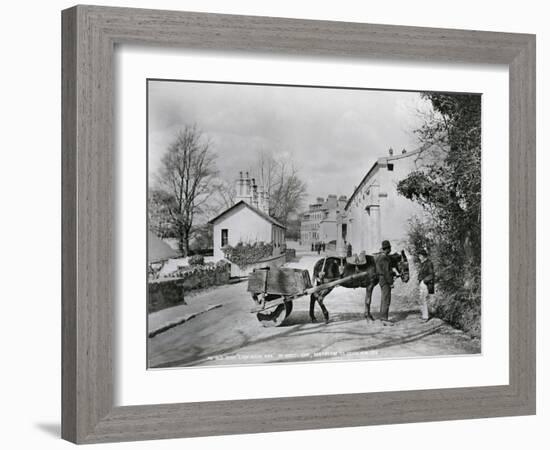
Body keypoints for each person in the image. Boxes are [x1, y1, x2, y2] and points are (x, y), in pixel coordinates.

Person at [376, 240, 394, 325]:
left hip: (381, 279)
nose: (390, 250)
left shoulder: (379, 257)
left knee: (384, 298)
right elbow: (386, 271)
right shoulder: (385, 258)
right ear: (387, 249)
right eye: (389, 248)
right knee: (386, 299)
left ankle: (382, 317)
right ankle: (384, 319)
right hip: (385, 280)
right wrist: (390, 282)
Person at [417, 249, 435, 321]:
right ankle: (424, 315)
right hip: (423, 284)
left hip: (426, 284)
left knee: (424, 299)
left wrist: (424, 281)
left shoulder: (429, 263)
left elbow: (431, 275)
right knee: (422, 299)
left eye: (420, 256)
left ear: (424, 256)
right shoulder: (424, 263)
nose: (419, 257)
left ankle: (426, 316)